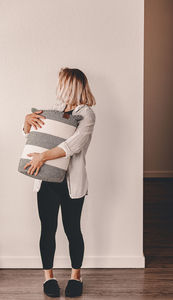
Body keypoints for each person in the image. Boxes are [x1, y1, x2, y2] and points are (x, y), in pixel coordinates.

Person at [22, 67, 96, 297]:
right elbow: (34, 139)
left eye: (61, 82)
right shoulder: (55, 110)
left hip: (71, 183)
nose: (58, 86)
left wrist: (43, 156)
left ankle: (76, 276)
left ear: (71, 84)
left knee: (73, 230)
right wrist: (26, 123)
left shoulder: (87, 114)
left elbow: (74, 146)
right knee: (48, 230)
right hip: (46, 181)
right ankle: (49, 277)